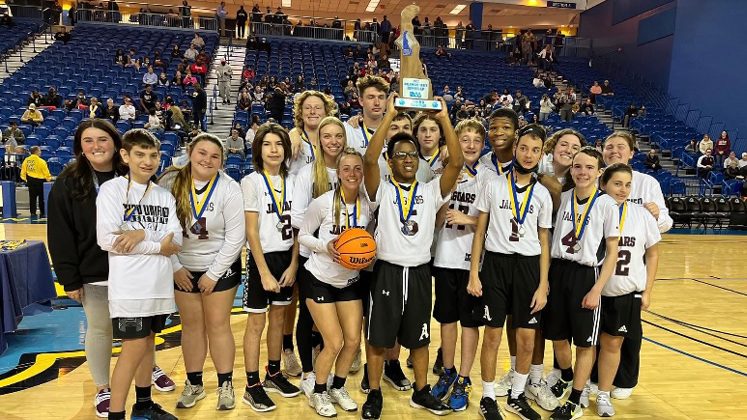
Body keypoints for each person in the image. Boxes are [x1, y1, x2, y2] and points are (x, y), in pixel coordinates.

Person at [360, 94, 461, 419]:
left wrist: (445, 118)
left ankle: (420, 392)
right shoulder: (383, 190)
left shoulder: (431, 191)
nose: (407, 158)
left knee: (420, 340)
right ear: (390, 162)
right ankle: (374, 394)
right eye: (400, 154)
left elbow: (456, 163)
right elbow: (367, 160)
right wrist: (389, 115)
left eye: (412, 154)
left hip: (419, 273)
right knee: (377, 340)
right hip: (387, 272)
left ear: (419, 160)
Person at [467, 124, 554, 420]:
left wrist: (543, 284)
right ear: (515, 147)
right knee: (492, 335)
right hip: (496, 264)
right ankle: (488, 396)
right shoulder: (492, 185)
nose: (529, 155)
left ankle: (517, 395)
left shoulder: (542, 194)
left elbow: (544, 240)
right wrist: (474, 273)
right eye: (525, 148)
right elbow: (480, 232)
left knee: (527, 339)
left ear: (541, 154)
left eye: (536, 150)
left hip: (528, 267)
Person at [96, 129, 183, 420]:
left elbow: (178, 240)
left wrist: (141, 233)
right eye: (140, 154)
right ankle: (116, 414)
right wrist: (159, 245)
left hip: (158, 285)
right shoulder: (112, 190)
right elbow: (109, 240)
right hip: (130, 288)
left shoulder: (164, 195)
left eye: (153, 155)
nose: (148, 161)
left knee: (147, 344)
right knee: (133, 348)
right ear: (125, 155)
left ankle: (143, 405)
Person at [157, 134, 245, 411]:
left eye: (215, 156)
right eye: (202, 153)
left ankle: (225, 384)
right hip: (182, 266)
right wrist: (175, 267)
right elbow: (161, 231)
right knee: (192, 327)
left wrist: (213, 274)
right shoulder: (171, 182)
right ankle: (194, 383)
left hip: (220, 265)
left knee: (218, 325)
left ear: (222, 160)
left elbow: (236, 237)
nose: (207, 160)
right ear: (190, 152)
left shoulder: (229, 187)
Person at [48, 120, 129, 417]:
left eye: (102, 139)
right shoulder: (70, 181)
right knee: (100, 328)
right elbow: (59, 234)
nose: (96, 146)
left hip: (135, 269)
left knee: (142, 328)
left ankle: (149, 369)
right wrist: (70, 279)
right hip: (95, 271)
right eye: (88, 140)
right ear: (79, 146)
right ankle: (102, 386)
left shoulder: (131, 173)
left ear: (115, 142)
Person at [544, 147, 620, 420]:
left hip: (586, 275)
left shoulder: (606, 204)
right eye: (578, 167)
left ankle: (576, 398)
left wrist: (597, 289)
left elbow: (612, 251)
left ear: (599, 172)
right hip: (559, 270)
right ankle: (566, 376)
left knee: (585, 344)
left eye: (589, 167)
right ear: (571, 169)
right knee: (558, 335)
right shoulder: (563, 198)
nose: (583, 172)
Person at [298, 147, 372, 416]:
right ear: (338, 173)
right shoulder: (322, 202)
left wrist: (366, 255)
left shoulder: (367, 206)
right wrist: (325, 246)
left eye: (357, 169)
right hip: (318, 277)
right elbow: (303, 236)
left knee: (353, 342)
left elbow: (370, 241)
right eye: (346, 169)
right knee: (334, 342)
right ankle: (318, 392)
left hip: (349, 280)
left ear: (363, 173)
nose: (352, 174)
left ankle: (338, 387)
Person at [240, 123, 302, 412]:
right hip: (261, 259)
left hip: (286, 258)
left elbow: (300, 228)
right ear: (259, 150)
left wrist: (292, 265)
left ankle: (273, 373)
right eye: (267, 144)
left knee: (279, 320)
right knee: (256, 323)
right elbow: (251, 232)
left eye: (279, 144)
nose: (274, 149)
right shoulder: (251, 181)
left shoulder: (296, 182)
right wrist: (263, 271)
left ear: (286, 150)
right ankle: (252, 385)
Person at [594, 163, 660, 417]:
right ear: (603, 185)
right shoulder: (594, 211)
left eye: (628, 184)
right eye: (617, 183)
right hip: (593, 290)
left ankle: (603, 392)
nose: (623, 189)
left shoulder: (641, 214)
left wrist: (648, 291)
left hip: (624, 292)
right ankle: (589, 383)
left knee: (614, 344)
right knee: (589, 344)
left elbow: (653, 255)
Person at [429, 119, 486, 412]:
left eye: (477, 140)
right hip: (444, 259)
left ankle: (464, 378)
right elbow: (434, 221)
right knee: (447, 321)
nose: (471, 144)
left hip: (472, 264)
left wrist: (470, 220)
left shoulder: (488, 178)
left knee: (470, 324)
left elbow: (496, 224)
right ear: (455, 143)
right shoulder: (442, 175)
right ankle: (448, 370)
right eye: (465, 139)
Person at [291, 116, 349, 392]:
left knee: (335, 316)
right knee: (308, 316)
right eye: (327, 136)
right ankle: (307, 373)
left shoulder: (352, 170)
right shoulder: (307, 173)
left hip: (345, 258)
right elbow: (298, 218)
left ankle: (326, 364)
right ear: (319, 140)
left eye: (338, 136)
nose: (333, 141)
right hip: (312, 254)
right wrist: (323, 245)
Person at [288, 90, 337, 175]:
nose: (312, 112)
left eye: (318, 108)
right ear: (300, 112)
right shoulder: (291, 141)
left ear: (326, 112)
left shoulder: (335, 142)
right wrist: (293, 132)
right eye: (307, 108)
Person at [21, 146, 53, 218]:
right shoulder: (41, 161)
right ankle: (42, 212)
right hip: (40, 181)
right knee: (41, 198)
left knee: (32, 198)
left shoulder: (26, 160)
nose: (40, 152)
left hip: (30, 180)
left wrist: (26, 180)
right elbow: (46, 172)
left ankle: (33, 212)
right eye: (39, 151)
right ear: (36, 152)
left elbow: (22, 172)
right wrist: (49, 179)